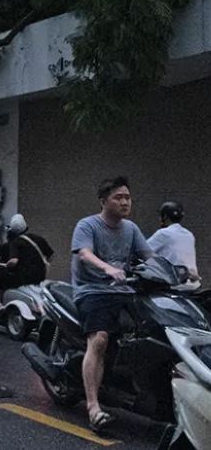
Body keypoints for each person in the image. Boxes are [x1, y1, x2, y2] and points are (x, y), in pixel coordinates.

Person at [71, 176, 153, 432]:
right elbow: (84, 254)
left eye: (127, 197)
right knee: (100, 339)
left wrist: (180, 272)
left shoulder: (131, 229)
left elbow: (150, 257)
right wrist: (108, 268)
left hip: (124, 292)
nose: (125, 202)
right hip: (92, 291)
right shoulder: (88, 225)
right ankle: (94, 407)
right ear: (103, 201)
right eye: (119, 197)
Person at [0, 214, 54, 309]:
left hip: (22, 278)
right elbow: (50, 256)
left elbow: (14, 261)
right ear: (25, 227)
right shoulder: (38, 239)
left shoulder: (16, 242)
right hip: (39, 276)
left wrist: (7, 265)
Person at [147, 201, 199, 282]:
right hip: (193, 282)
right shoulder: (189, 235)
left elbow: (142, 250)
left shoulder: (163, 233)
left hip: (174, 283)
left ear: (165, 217)